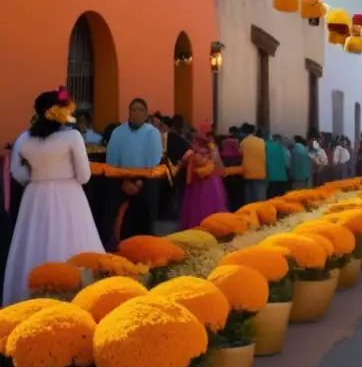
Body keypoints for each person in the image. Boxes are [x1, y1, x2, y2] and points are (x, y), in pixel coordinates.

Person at [4, 89, 103, 304]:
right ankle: (78, 295)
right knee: (72, 240)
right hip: (69, 195)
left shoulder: (24, 138)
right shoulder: (72, 136)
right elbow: (84, 175)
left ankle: (31, 294)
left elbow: (16, 172)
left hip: (35, 195)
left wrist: (37, 177)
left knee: (34, 241)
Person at [106, 98, 164, 241]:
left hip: (146, 180)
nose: (137, 113)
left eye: (141, 110)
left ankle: (146, 244)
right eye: (134, 110)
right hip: (121, 180)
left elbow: (155, 160)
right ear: (129, 113)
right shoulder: (118, 132)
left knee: (146, 210)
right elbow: (112, 161)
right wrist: (124, 182)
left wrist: (139, 181)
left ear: (146, 114)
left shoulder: (153, 133)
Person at [178, 122, 228, 230]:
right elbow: (218, 165)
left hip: (199, 180)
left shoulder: (194, 149)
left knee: (198, 204)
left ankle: (198, 227)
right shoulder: (211, 148)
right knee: (209, 204)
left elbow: (184, 162)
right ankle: (211, 227)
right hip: (209, 180)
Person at [240, 125, 268, 204]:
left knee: (249, 199)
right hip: (261, 172)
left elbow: (240, 155)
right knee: (260, 199)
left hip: (247, 173)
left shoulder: (243, 142)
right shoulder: (262, 141)